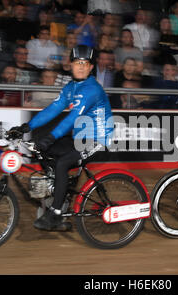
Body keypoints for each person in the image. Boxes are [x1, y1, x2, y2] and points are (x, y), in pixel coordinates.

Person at [8, 45, 114, 231]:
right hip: (80, 139)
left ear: (91, 68)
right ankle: (60, 193)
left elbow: (71, 118)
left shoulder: (91, 89)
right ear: (70, 65)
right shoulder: (71, 87)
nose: (81, 67)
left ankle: (56, 213)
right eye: (77, 63)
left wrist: (51, 136)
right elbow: (53, 109)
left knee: (63, 163)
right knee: (43, 149)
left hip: (98, 141)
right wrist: (26, 127)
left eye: (85, 64)